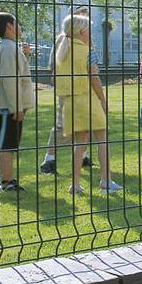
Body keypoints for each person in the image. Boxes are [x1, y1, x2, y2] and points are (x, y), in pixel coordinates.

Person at [54, 14, 121, 195]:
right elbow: (94, 77)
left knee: (79, 143)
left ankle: (75, 185)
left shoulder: (63, 51)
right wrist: (103, 99)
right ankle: (105, 181)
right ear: (82, 31)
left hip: (70, 103)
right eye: (89, 29)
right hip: (88, 100)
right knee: (102, 139)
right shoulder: (87, 51)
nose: (92, 33)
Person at [0, 12, 35, 192]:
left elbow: (17, 73)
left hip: (5, 105)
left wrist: (26, 56)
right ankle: (6, 182)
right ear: (9, 26)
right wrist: (16, 107)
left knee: (8, 143)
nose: (19, 26)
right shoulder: (9, 49)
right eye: (16, 23)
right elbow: (9, 80)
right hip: (6, 107)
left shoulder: (9, 47)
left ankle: (7, 180)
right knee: (6, 145)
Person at [41, 5, 97, 175]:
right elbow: (53, 64)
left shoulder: (89, 39)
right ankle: (48, 161)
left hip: (85, 88)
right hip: (68, 89)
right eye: (81, 14)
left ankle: (83, 157)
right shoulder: (62, 38)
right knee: (62, 124)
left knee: (85, 123)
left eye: (86, 14)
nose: (85, 17)